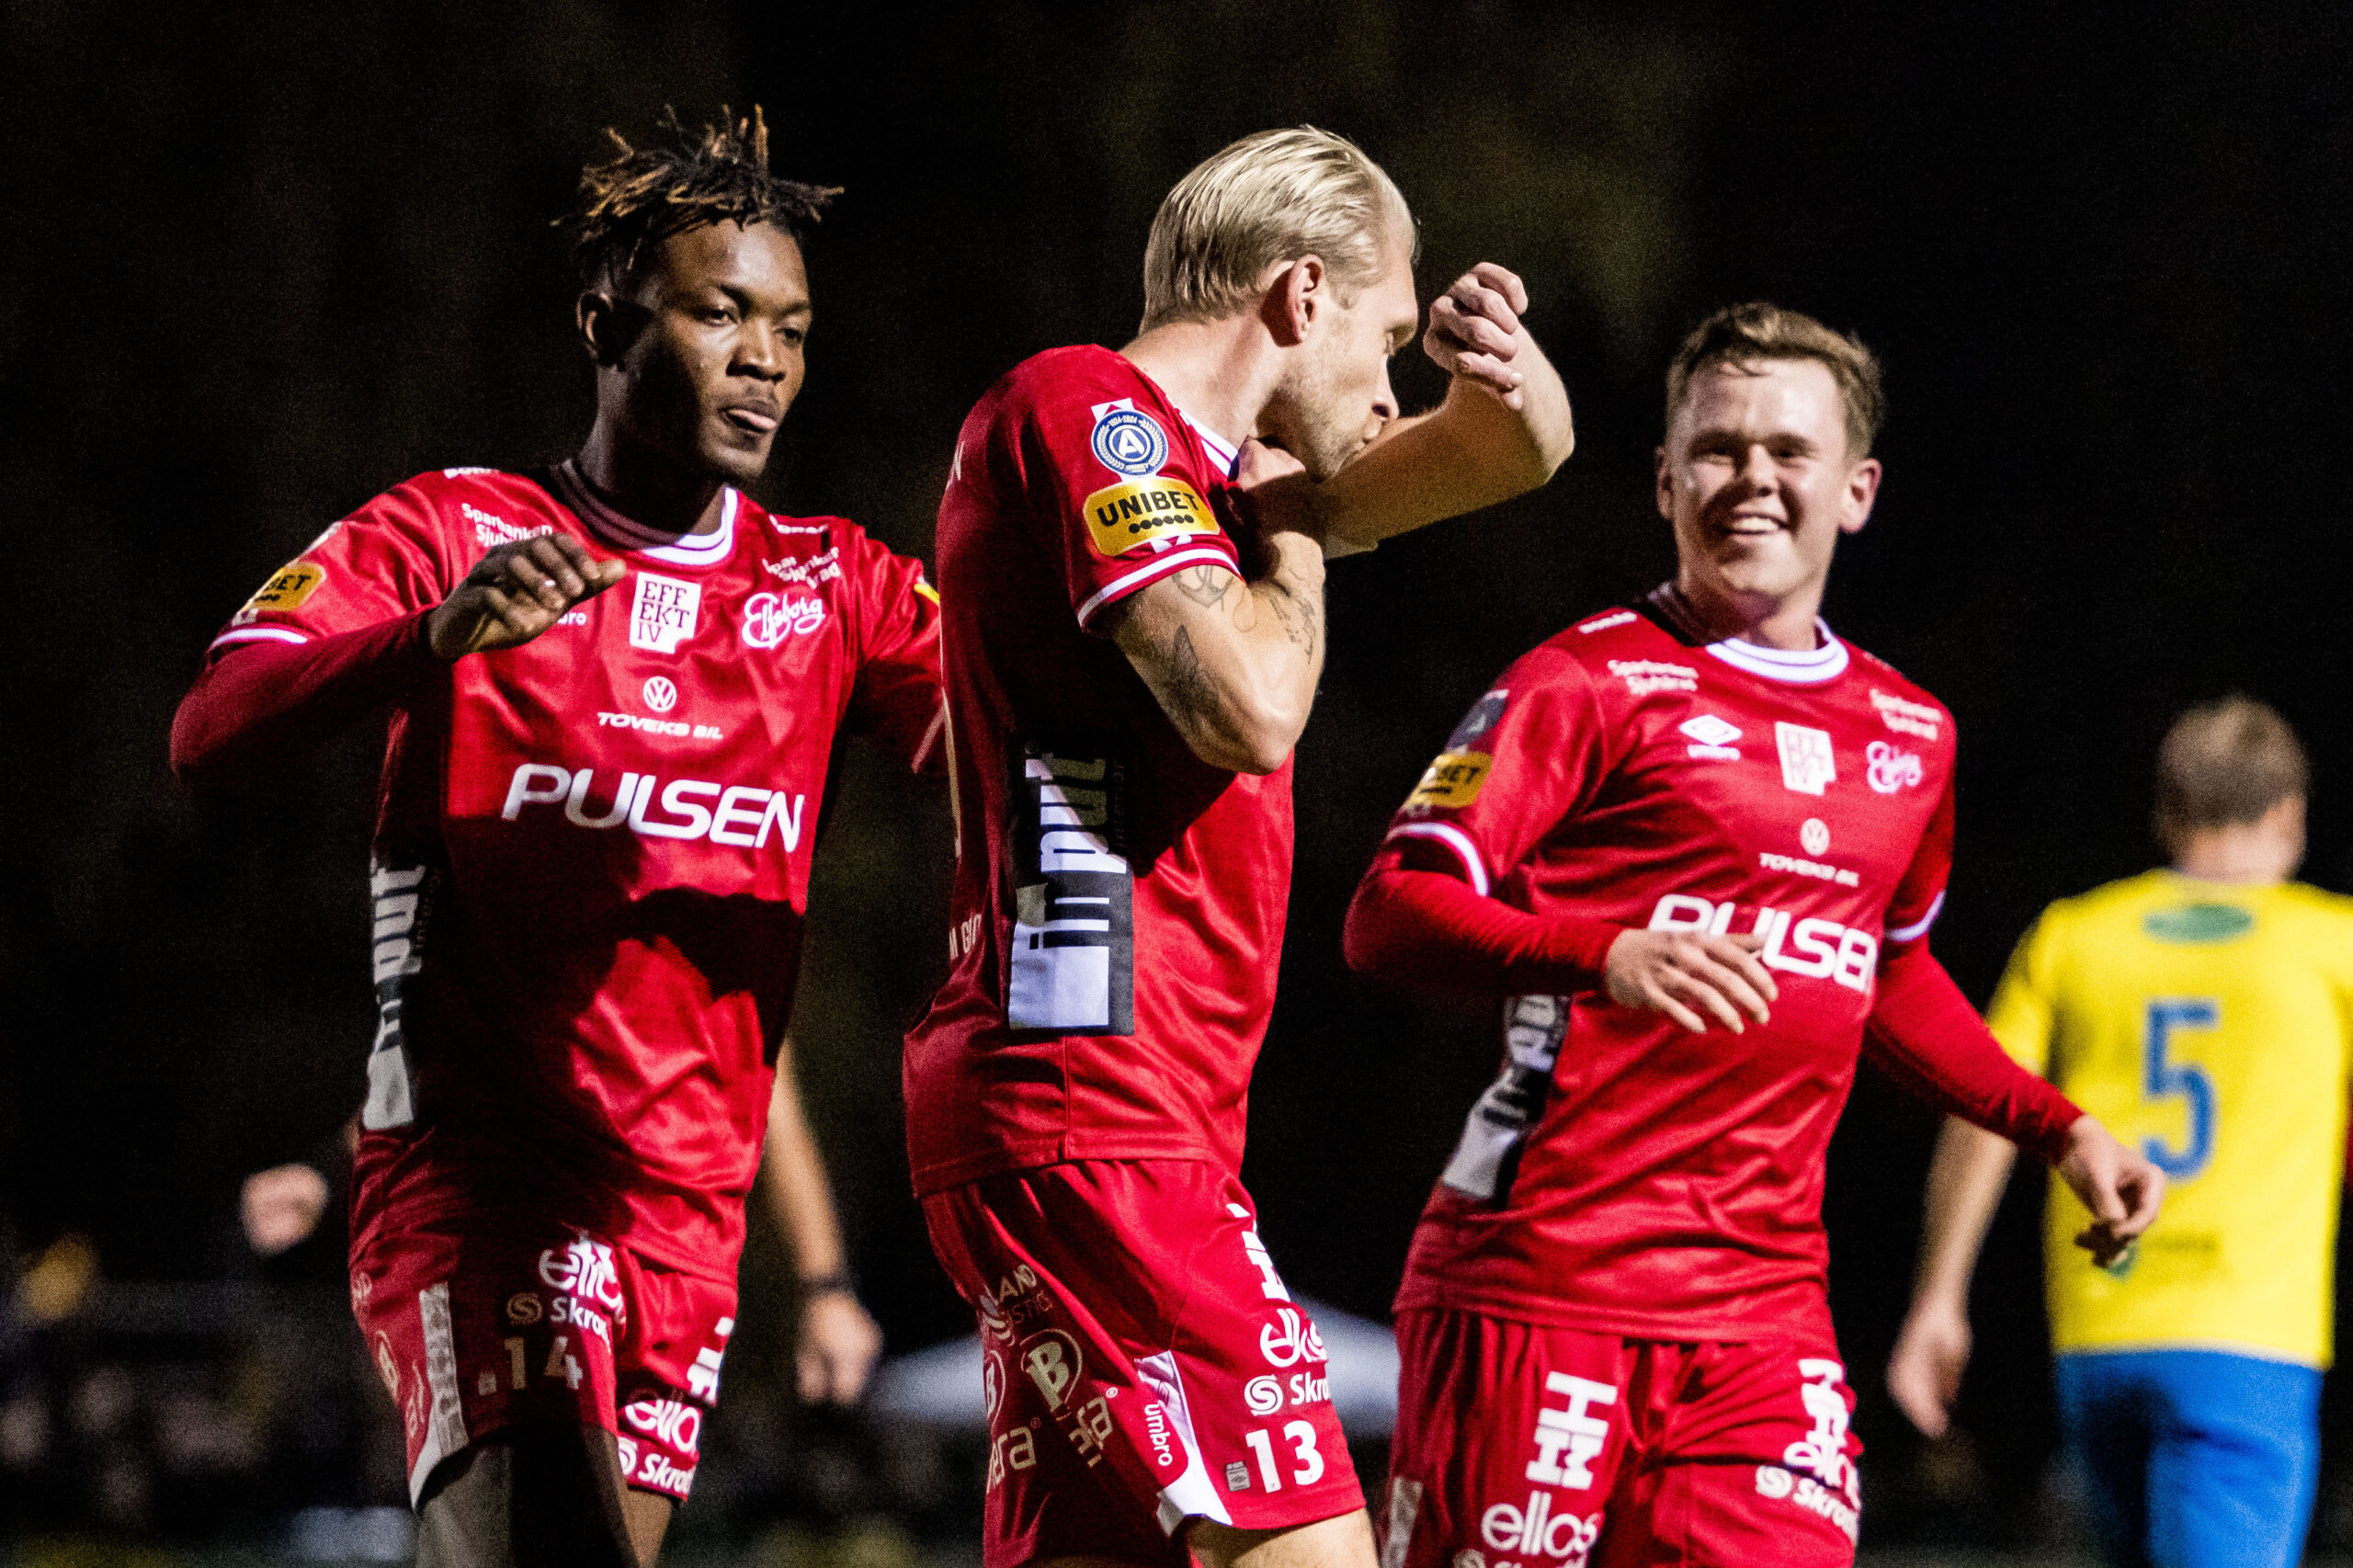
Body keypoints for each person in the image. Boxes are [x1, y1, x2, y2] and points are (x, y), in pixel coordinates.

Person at [171, 110, 939, 1567]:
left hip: (687, 1228)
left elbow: (1019, 731)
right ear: (606, 322)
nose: (765, 360)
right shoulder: (454, 531)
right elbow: (212, 725)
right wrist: (425, 638)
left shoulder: (832, 585)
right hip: (481, 1190)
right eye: (721, 314)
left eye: (792, 330)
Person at [1342, 301, 2165, 1568]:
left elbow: (1885, 970)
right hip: (1541, 1287)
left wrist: (2059, 1126)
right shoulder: (1581, 680)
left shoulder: (1912, 734)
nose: (1752, 479)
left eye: (1789, 450)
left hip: (1762, 1322)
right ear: (1666, 480)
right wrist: (1600, 952)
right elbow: (1388, 911)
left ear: (1856, 491)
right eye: (1718, 449)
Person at [903, 127, 1576, 1568]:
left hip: (1124, 1120)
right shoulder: (1086, 405)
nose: (1389, 388)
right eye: (1385, 338)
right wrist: (1305, 538)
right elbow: (1251, 710)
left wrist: (1504, 373)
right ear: (1301, 292)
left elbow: (1514, 455)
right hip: (1092, 1106)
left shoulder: (1217, 487)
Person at [1888, 697, 2351, 1568]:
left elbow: (1985, 1113)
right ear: (2289, 815)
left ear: (2166, 814)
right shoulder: (2333, 945)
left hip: (2098, 1333)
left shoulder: (2075, 935)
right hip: (2249, 1341)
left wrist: (1937, 1299)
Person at [240, 1047, 884, 1406]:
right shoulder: (540, 892)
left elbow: (773, 1103)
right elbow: (442, 1059)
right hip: (528, 1260)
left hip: (665, 1282)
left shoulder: (721, 900)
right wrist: (333, 1173)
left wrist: (826, 1288)